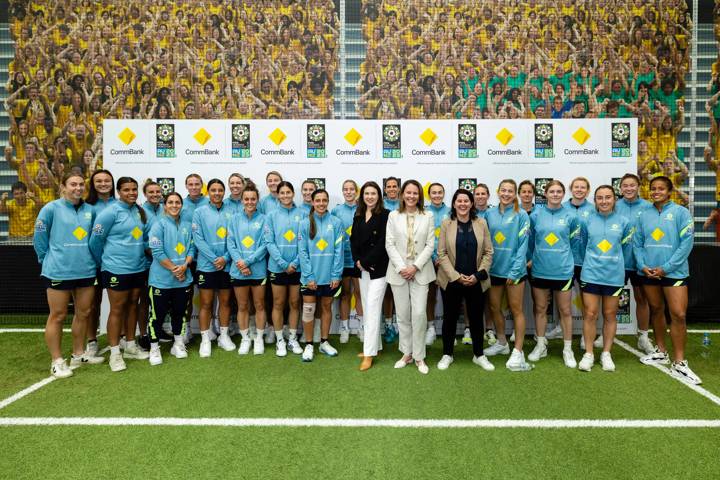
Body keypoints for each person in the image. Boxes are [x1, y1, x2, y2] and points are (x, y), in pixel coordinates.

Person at [33, 172, 104, 378]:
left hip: (86, 270)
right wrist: (46, 259)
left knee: (84, 313)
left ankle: (78, 354)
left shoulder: (90, 210)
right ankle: (56, 361)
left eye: (81, 184)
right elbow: (40, 237)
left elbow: (95, 240)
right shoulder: (51, 209)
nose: (78, 188)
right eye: (73, 184)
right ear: (63, 187)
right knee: (58, 315)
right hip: (58, 270)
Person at [633, 176, 701, 384]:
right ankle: (661, 352)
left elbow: (686, 244)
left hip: (674, 273)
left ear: (669, 191)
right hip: (649, 273)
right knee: (656, 310)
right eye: (653, 189)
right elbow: (637, 244)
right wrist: (643, 266)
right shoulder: (643, 215)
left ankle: (679, 362)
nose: (656, 192)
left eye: (661, 189)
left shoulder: (681, 212)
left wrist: (666, 268)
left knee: (678, 314)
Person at [89, 176, 150, 372]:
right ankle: (115, 353)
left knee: (133, 305)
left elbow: (142, 239)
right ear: (119, 192)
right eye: (127, 190)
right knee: (117, 309)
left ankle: (130, 345)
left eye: (134, 189)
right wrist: (105, 262)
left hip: (138, 267)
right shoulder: (110, 212)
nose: (131, 193)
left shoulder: (139, 212)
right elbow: (95, 242)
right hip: (115, 269)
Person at [436, 188, 495, 371]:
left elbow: (488, 252)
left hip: (476, 280)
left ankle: (479, 355)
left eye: (466, 201)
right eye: (459, 201)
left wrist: (477, 276)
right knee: (450, 318)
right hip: (452, 280)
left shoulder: (481, 223)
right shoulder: (447, 223)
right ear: (454, 204)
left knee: (477, 318)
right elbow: (442, 253)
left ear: (472, 204)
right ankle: (447, 354)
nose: (462, 204)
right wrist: (455, 276)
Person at [577, 185, 633, 372]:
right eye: (600, 198)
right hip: (591, 273)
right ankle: (589, 354)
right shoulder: (587, 220)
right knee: (591, 314)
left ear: (614, 199)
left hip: (614, 276)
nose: (604, 201)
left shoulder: (624, 222)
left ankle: (606, 354)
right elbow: (583, 244)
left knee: (609, 315)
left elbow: (626, 248)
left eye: (608, 197)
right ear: (595, 201)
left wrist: (619, 266)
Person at [527, 180, 581, 368]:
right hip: (540, 269)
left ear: (563, 194)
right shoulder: (535, 215)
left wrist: (569, 262)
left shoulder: (570, 216)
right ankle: (541, 345)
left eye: (559, 191)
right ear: (546, 194)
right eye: (552, 191)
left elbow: (575, 243)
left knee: (565, 311)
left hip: (563, 271)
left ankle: (568, 349)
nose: (556, 194)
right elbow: (531, 241)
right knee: (540, 309)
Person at [385, 179, 436, 374]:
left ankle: (419, 356)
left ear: (420, 196)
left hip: (420, 272)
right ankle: (406, 353)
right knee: (403, 315)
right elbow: (389, 244)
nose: (411, 196)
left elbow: (430, 245)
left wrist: (414, 267)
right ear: (402, 194)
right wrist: (402, 267)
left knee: (419, 314)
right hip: (399, 273)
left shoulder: (428, 216)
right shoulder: (393, 216)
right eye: (408, 192)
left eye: (415, 193)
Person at [485, 180, 532, 371]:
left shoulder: (521, 215)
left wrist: (515, 269)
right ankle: (502, 343)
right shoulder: (489, 213)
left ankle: (518, 351)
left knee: (516, 309)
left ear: (515, 194)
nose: (506, 194)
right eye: (503, 190)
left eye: (510, 191)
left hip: (515, 271)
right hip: (494, 270)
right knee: (495, 307)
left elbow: (523, 245)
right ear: (498, 192)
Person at [146, 192, 195, 365]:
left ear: (182, 205)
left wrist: (185, 266)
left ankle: (178, 344)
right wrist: (175, 269)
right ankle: (154, 348)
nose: (174, 205)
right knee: (156, 316)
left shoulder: (188, 225)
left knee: (180, 314)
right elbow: (157, 251)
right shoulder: (158, 225)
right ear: (165, 205)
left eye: (178, 202)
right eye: (171, 202)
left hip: (183, 278)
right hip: (161, 280)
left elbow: (191, 249)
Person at [297, 189, 344, 361]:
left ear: (328, 201)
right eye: (318, 200)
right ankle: (309, 344)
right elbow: (302, 252)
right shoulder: (304, 224)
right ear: (313, 202)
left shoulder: (336, 223)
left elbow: (339, 251)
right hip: (310, 278)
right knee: (309, 311)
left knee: (326, 308)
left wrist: (336, 275)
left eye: (324, 200)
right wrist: (309, 276)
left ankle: (324, 342)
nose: (321, 203)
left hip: (329, 277)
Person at [192, 178, 234, 357]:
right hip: (206, 266)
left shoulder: (232, 211)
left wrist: (224, 258)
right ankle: (205, 339)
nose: (217, 193)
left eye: (220, 190)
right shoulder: (199, 212)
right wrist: (214, 258)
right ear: (208, 192)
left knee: (225, 302)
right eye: (213, 190)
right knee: (206, 303)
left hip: (226, 265)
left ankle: (223, 336)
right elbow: (198, 239)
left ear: (224, 192)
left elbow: (235, 239)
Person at [227, 184, 271, 355]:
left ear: (257, 200)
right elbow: (231, 243)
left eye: (253, 199)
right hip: (238, 270)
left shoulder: (265, 219)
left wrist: (248, 262)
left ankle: (258, 338)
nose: (250, 202)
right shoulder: (234, 219)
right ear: (242, 200)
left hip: (257, 270)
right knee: (242, 306)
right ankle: (245, 339)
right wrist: (240, 262)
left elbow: (265, 244)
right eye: (247, 199)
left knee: (260, 305)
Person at [351, 181, 390, 371]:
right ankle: (377, 346)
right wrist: (358, 261)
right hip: (361, 269)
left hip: (378, 270)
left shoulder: (385, 215)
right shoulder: (358, 214)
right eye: (367, 193)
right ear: (362, 196)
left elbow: (384, 243)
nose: (370, 197)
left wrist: (366, 262)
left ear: (379, 196)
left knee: (373, 309)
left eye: (373, 193)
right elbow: (353, 241)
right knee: (368, 308)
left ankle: (369, 353)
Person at [615, 173, 655, 354]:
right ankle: (604, 333)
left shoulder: (648, 207)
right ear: (620, 188)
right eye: (625, 186)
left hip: (641, 263)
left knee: (642, 299)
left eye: (632, 185)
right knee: (611, 299)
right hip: (618, 262)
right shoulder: (614, 206)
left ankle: (643, 336)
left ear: (638, 186)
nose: (629, 189)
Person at [265, 181, 305, 356]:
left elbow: (304, 241)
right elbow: (269, 241)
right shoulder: (271, 216)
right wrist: (282, 263)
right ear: (278, 195)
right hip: (277, 267)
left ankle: (293, 338)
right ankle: (280, 339)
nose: (286, 195)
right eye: (282, 193)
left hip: (297, 267)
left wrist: (295, 263)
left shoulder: (303, 213)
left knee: (295, 303)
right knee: (278, 303)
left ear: (293, 194)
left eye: (288, 192)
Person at [84, 169, 115, 356]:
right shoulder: (87, 207)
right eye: (99, 181)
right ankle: (92, 341)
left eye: (107, 181)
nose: (103, 184)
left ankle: (120, 339)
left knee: (119, 305)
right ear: (93, 185)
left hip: (116, 265)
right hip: (94, 265)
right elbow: (91, 239)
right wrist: (98, 260)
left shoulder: (120, 204)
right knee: (92, 305)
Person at [560, 177, 594, 343]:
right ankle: (561, 327)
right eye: (576, 187)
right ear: (570, 189)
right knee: (561, 299)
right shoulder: (562, 207)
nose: (579, 190)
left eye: (583, 188)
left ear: (587, 191)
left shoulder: (594, 210)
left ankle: (584, 335)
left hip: (586, 262)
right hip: (564, 261)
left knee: (587, 300)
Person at [331, 179, 363, 343]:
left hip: (359, 260)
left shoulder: (362, 209)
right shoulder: (336, 211)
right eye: (346, 189)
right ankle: (344, 328)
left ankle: (361, 327)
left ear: (356, 191)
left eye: (351, 189)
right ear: (342, 192)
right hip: (342, 260)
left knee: (359, 294)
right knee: (344, 295)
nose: (349, 192)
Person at [425, 182, 450, 345]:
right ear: (429, 195)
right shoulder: (424, 212)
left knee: (449, 298)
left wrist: (443, 258)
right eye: (433, 193)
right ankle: (431, 328)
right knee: (430, 296)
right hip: (428, 260)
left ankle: (450, 329)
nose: (437, 195)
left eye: (440, 192)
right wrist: (434, 256)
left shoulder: (451, 212)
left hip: (448, 261)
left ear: (444, 194)